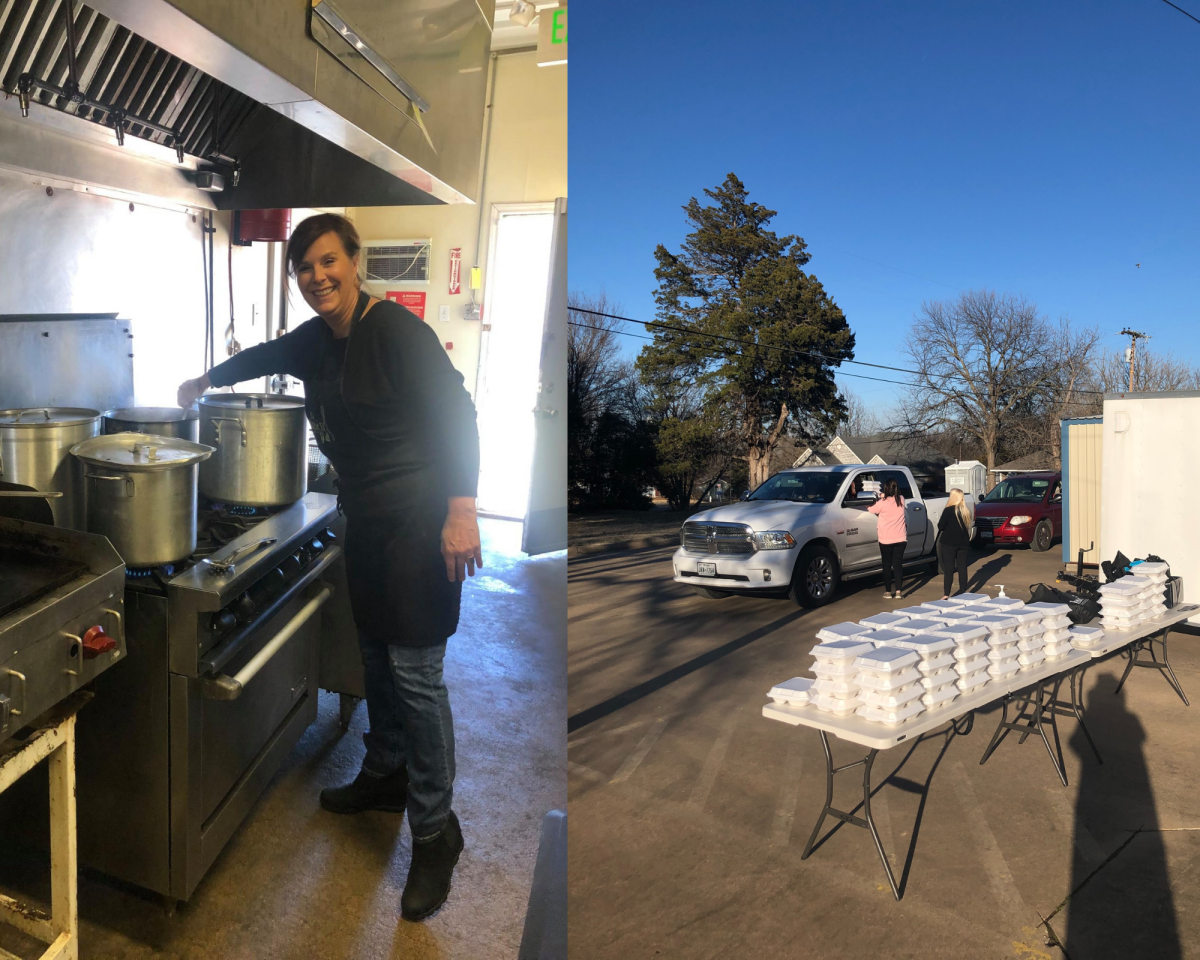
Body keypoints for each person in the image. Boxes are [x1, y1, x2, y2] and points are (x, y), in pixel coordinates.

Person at [176, 213, 480, 922]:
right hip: (368, 520)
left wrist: (461, 508)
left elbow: (458, 415)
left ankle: (436, 833)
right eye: (304, 268)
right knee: (374, 657)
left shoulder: (397, 333)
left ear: (354, 260)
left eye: (327, 262)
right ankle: (385, 772)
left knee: (416, 676)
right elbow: (266, 355)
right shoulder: (317, 339)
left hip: (419, 518)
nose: (317, 277)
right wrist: (203, 379)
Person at [869, 478, 907, 599]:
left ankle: (887, 591)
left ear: (886, 489)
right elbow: (894, 497)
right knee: (897, 565)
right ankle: (898, 592)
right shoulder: (901, 500)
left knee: (886, 565)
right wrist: (884, 495)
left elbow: (871, 509)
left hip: (885, 539)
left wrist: (878, 496)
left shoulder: (882, 503)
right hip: (901, 538)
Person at [937, 488, 973, 599]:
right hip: (963, 542)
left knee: (949, 569)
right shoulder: (965, 510)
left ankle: (946, 594)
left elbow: (941, 526)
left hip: (949, 542)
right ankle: (963, 591)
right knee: (962, 567)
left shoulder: (948, 510)